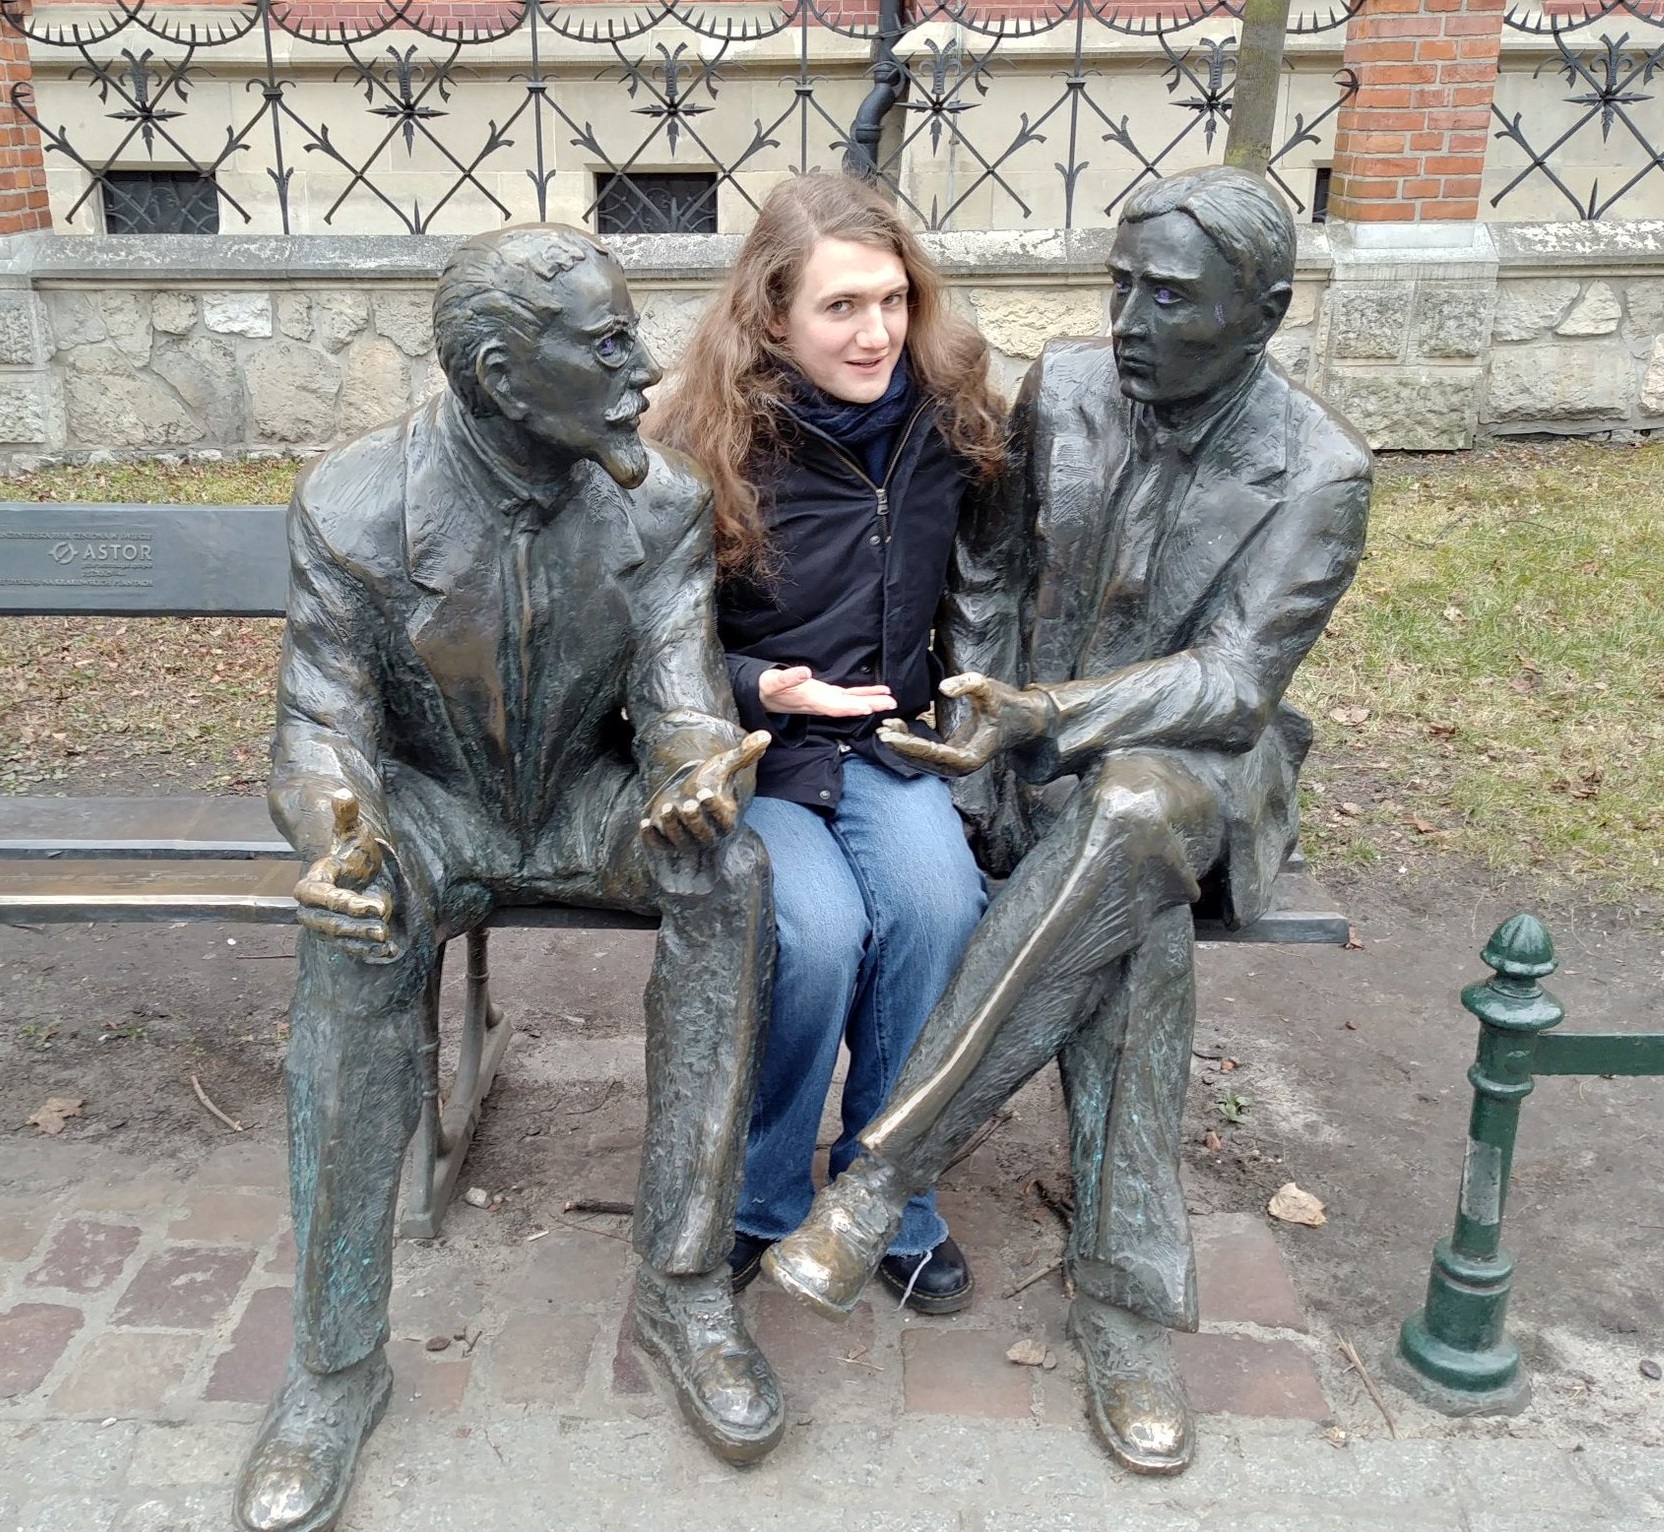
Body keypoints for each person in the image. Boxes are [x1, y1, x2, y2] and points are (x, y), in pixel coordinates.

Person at [762, 166, 1373, 1475]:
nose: (1132, 316)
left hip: (1199, 769)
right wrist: (989, 761)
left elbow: (1230, 683)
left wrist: (1040, 714)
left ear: (1262, 312)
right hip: (1031, 766)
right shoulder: (1073, 387)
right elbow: (988, 563)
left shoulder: (1321, 472)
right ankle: (1127, 1310)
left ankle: (877, 1181)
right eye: (1121, 284)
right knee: (1122, 926)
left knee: (1141, 812)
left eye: (1170, 296)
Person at [238, 226, 784, 1532]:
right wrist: (337, 831)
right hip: (430, 815)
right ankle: (334, 1367)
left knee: (732, 877)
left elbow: (679, 696)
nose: (640, 369)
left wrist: (702, 773)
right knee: (352, 928)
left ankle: (683, 1283)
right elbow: (317, 727)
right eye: (604, 345)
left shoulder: (657, 502)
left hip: (586, 806)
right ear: (495, 370)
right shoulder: (356, 507)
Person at [653, 173, 1005, 1314]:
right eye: (840, 307)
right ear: (770, 317)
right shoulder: (697, 441)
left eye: (892, 300)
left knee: (938, 908)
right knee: (808, 934)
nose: (875, 332)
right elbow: (638, 642)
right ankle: (756, 1197)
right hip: (750, 754)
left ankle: (884, 1194)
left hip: (892, 741)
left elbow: (998, 576)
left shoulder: (946, 421)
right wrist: (762, 684)